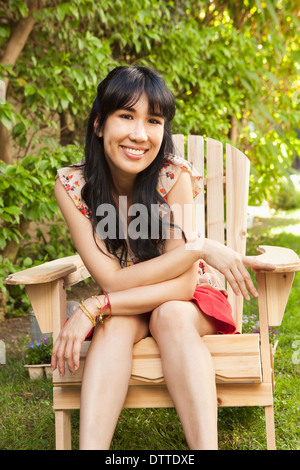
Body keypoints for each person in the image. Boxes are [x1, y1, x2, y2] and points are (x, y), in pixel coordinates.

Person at [51, 65, 275, 450]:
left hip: (188, 299)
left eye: (153, 120)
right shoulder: (74, 187)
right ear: (99, 124)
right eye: (126, 116)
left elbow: (186, 281)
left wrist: (96, 305)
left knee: (169, 313)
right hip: (127, 303)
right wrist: (197, 248)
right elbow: (111, 279)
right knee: (114, 327)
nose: (140, 134)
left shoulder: (174, 176)